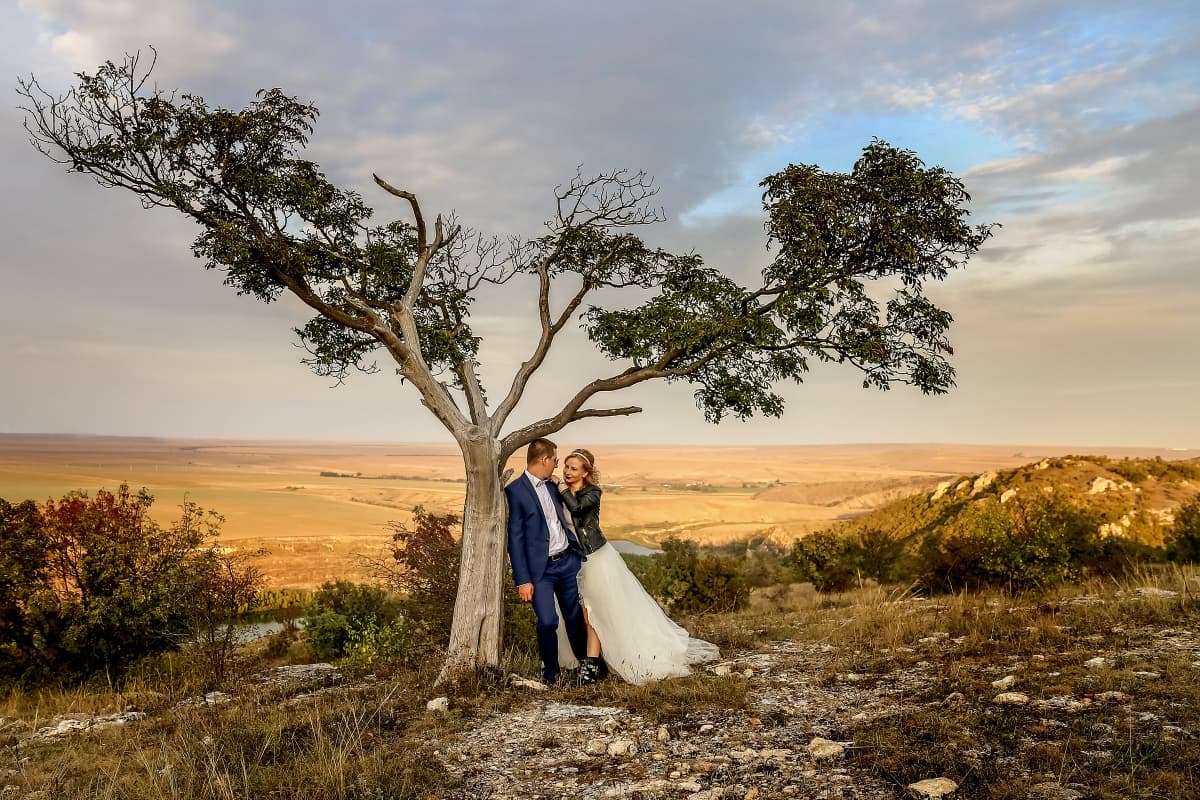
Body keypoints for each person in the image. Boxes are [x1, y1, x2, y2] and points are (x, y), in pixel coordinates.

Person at [555, 448, 720, 685]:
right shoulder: (561, 492)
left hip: (596, 559)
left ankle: (592, 664)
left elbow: (577, 509)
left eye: (573, 468)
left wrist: (561, 488)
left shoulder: (593, 493)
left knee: (595, 612)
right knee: (582, 613)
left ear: (585, 472)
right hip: (574, 560)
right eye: (566, 467)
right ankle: (593, 659)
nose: (567, 472)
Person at [505, 437, 588, 685]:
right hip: (539, 572)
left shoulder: (553, 485)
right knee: (548, 621)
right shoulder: (515, 491)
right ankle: (551, 674)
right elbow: (515, 539)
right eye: (555, 459)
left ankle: (586, 667)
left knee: (575, 618)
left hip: (568, 562)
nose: (557, 464)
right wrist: (522, 580)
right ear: (544, 459)